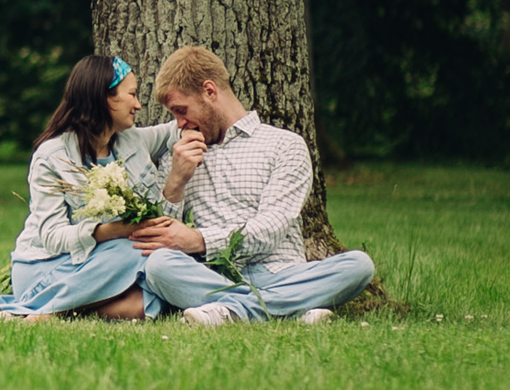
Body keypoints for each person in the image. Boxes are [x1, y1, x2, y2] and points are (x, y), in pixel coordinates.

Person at [129, 45, 378, 325]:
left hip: (281, 273)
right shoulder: (178, 152)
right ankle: (289, 308)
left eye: (181, 110)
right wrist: (176, 181)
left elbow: (270, 230)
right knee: (159, 266)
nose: (179, 123)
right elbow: (165, 238)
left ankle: (231, 311)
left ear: (209, 92)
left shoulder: (285, 146)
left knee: (358, 266)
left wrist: (198, 240)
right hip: (212, 277)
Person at [0, 55, 177, 321]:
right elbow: (52, 237)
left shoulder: (133, 140)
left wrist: (191, 136)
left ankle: (54, 313)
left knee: (146, 301)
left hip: (103, 264)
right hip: (46, 266)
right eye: (132, 95)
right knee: (136, 248)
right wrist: (112, 231)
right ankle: (41, 304)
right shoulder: (52, 155)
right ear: (104, 98)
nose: (137, 104)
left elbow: (174, 130)